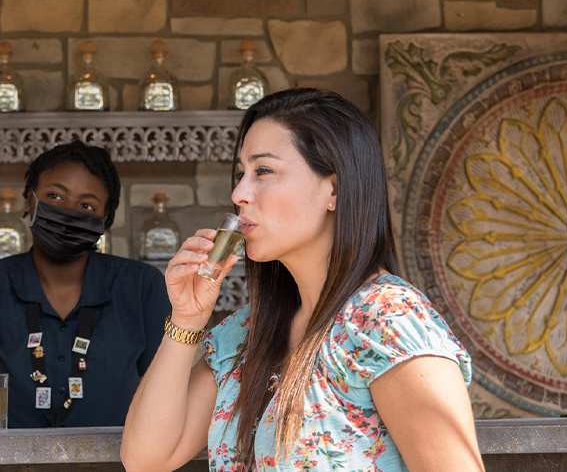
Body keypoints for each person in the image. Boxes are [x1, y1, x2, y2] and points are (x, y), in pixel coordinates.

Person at [121, 88, 483, 471]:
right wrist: (186, 320)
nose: (239, 193)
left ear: (334, 189)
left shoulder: (385, 321)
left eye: (263, 171)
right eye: (241, 174)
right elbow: (146, 459)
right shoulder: (247, 333)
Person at [0, 141, 171, 429]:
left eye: (86, 205)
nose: (68, 212)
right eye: (54, 196)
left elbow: (165, 410)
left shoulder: (142, 288)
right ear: (29, 200)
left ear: (105, 220)